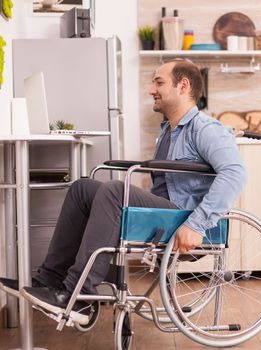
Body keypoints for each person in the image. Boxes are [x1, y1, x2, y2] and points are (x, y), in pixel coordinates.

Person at [0, 60, 247, 324]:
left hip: (184, 220)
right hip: (162, 213)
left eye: (159, 82)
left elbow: (235, 173)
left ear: (183, 86)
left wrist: (197, 225)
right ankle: (48, 280)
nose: (152, 89)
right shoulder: (168, 132)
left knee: (116, 191)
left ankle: (79, 297)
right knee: (83, 188)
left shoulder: (205, 129)